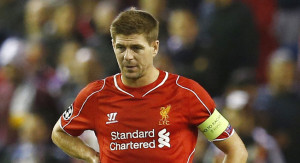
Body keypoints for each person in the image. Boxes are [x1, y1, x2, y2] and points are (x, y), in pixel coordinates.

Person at [51, 8, 247, 163]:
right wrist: (92, 156)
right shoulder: (95, 94)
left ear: (154, 47)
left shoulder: (188, 93)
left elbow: (236, 150)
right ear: (113, 46)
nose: (128, 57)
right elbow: (59, 133)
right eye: (121, 48)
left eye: (136, 48)